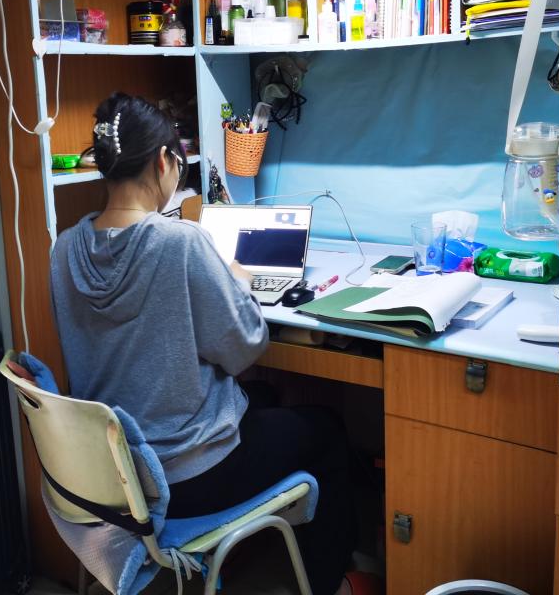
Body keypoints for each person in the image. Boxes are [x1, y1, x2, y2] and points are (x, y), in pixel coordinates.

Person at [49, 92, 358, 594]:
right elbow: (244, 347)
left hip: (116, 477)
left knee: (263, 398)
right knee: (326, 428)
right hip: (184, 481)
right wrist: (237, 281)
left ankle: (244, 550)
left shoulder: (65, 248)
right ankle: (332, 583)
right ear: (163, 161)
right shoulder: (181, 243)